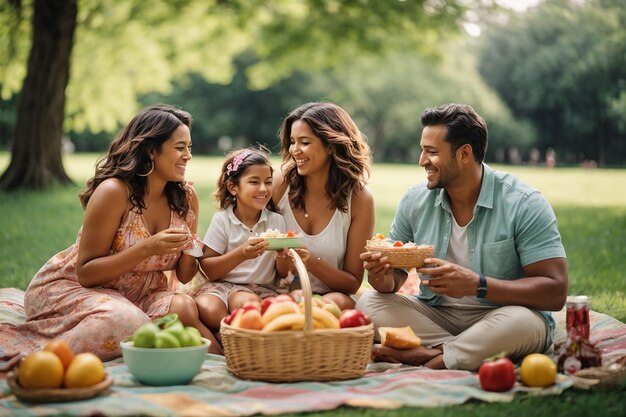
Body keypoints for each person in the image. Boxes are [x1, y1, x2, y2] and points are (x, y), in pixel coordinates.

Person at [357, 103, 568, 371]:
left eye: (431, 152)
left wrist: (477, 285)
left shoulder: (524, 203)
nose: (422, 161)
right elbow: (393, 280)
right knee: (369, 302)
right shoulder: (415, 200)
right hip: (436, 316)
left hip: (501, 314)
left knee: (524, 324)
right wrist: (381, 277)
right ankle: (459, 353)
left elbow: (556, 291)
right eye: (423, 150)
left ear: (465, 153)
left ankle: (425, 356)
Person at [0, 104, 221, 360]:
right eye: (180, 148)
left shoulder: (185, 198)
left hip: (140, 294)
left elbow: (184, 276)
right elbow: (86, 273)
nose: (188, 156)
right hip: (75, 289)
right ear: (151, 151)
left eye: (189, 148)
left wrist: (191, 248)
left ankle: (227, 362)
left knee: (183, 307)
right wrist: (149, 248)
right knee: (127, 321)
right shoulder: (114, 192)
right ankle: (38, 359)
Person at [273, 102, 375, 310]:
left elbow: (352, 282)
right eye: (293, 142)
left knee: (338, 303)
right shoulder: (280, 184)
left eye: (305, 142)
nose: (295, 151)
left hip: (330, 301)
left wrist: (311, 261)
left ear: (330, 145)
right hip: (277, 296)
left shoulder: (359, 199)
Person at [194, 147, 292, 333]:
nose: (263, 189)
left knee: (245, 304)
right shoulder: (222, 220)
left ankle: (235, 337)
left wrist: (283, 257)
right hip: (221, 287)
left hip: (259, 289)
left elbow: (282, 272)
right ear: (233, 188)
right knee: (206, 306)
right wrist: (241, 254)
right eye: (254, 182)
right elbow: (209, 269)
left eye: (268, 182)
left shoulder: (275, 221)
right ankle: (232, 337)